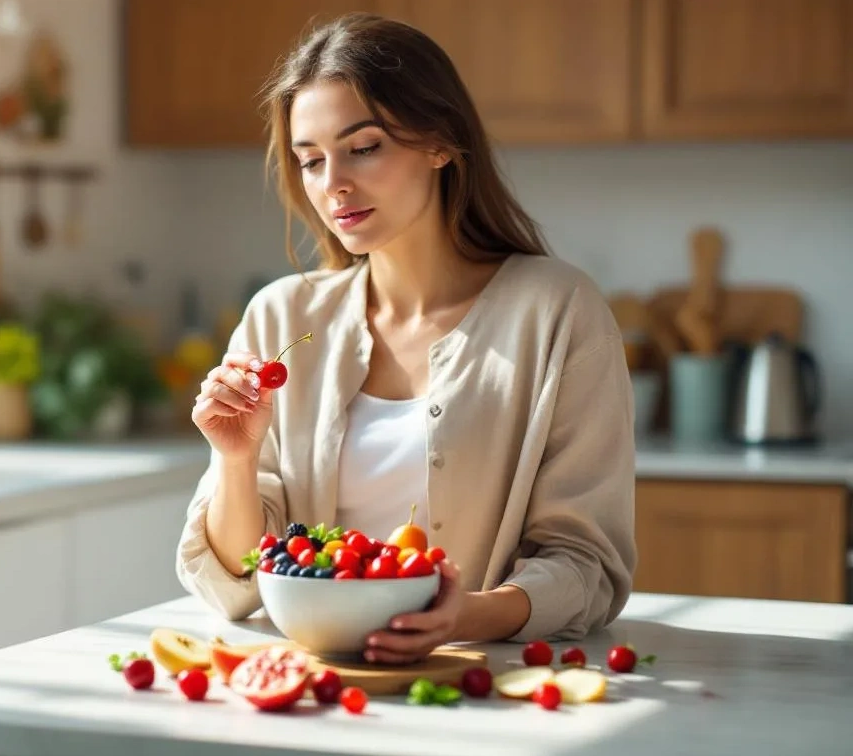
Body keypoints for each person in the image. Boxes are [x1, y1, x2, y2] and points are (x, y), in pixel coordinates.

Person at [175, 12, 636, 664]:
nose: (332, 183)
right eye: (311, 161)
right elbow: (238, 584)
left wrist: (463, 616)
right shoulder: (280, 318)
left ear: (441, 142)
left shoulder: (558, 312)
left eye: (363, 148)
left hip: (484, 690)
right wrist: (236, 460)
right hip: (315, 688)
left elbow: (588, 566)